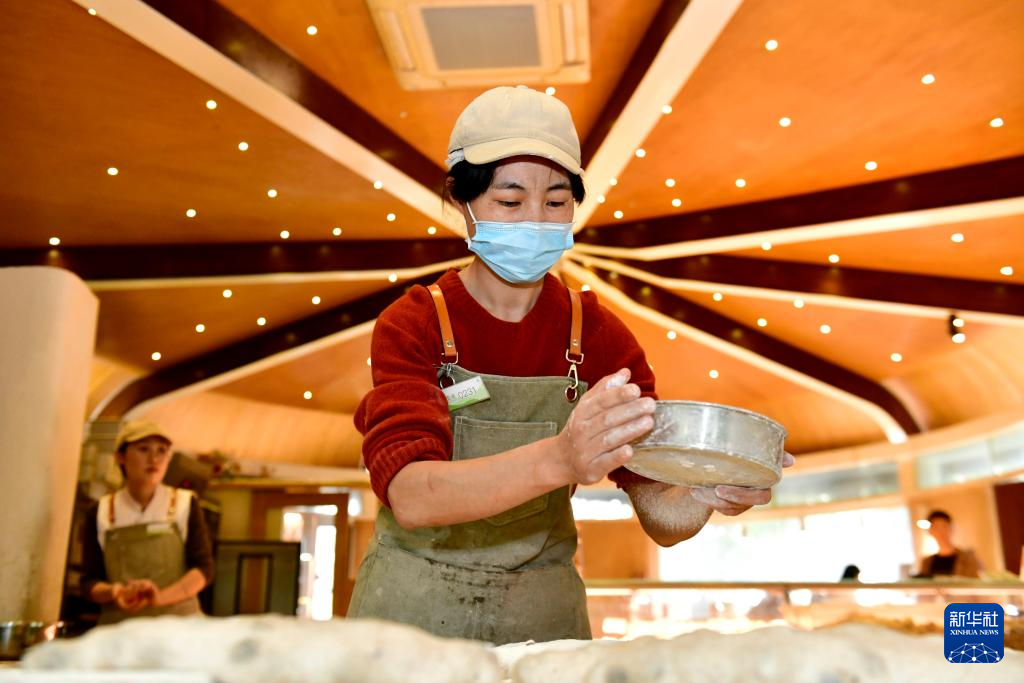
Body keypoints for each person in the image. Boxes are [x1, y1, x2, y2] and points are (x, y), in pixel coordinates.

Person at [349, 86, 793, 644]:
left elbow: (660, 518)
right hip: (410, 612)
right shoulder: (414, 323)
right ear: (463, 204)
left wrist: (704, 490)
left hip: (541, 616)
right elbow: (411, 496)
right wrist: (561, 458)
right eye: (510, 202)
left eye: (556, 203)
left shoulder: (599, 336)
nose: (535, 221)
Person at [81, 420, 214, 624]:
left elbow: (204, 569)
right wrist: (116, 592)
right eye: (143, 449)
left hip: (180, 629)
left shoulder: (186, 504)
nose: (154, 459)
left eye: (162, 451)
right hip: (122, 629)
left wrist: (160, 598)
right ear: (120, 457)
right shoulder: (100, 511)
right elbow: (89, 582)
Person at [917, 510, 982, 578]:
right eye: (936, 527)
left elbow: (974, 581)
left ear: (951, 528)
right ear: (930, 531)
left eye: (944, 526)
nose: (940, 531)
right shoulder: (927, 562)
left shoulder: (968, 559)